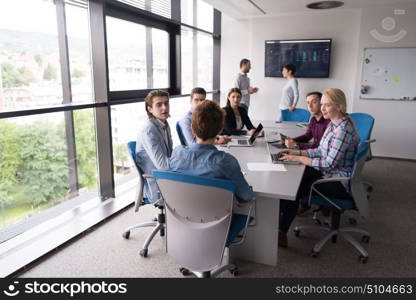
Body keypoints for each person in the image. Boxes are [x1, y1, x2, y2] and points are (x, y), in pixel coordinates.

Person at [277, 88, 359, 248]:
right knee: (293, 176)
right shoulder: (334, 124)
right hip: (328, 173)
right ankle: (279, 224)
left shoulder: (342, 130)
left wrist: (300, 158)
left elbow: (329, 163)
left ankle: (280, 229)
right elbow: (320, 150)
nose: (322, 108)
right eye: (322, 104)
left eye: (326, 105)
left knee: (295, 185)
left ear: (340, 107)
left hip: (337, 181)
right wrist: (297, 151)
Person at [170, 99, 253, 213]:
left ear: (192, 129)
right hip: (219, 225)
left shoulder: (177, 153)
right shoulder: (227, 162)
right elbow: (246, 197)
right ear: (220, 130)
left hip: (181, 218)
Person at [136, 90, 173, 203]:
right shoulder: (149, 130)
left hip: (167, 178)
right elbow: (163, 166)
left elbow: (169, 155)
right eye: (159, 105)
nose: (164, 108)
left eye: (166, 103)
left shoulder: (164, 124)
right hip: (157, 184)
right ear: (150, 109)